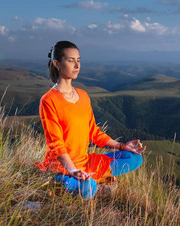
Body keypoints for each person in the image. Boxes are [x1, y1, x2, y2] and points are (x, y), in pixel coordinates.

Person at [35, 41, 146, 200]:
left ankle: (90, 177)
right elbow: (55, 143)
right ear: (57, 64)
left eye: (78, 60)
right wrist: (73, 170)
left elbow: (94, 132)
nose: (76, 65)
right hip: (61, 167)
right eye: (70, 60)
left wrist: (122, 146)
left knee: (134, 158)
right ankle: (65, 181)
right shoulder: (48, 100)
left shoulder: (83, 96)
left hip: (85, 161)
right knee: (89, 187)